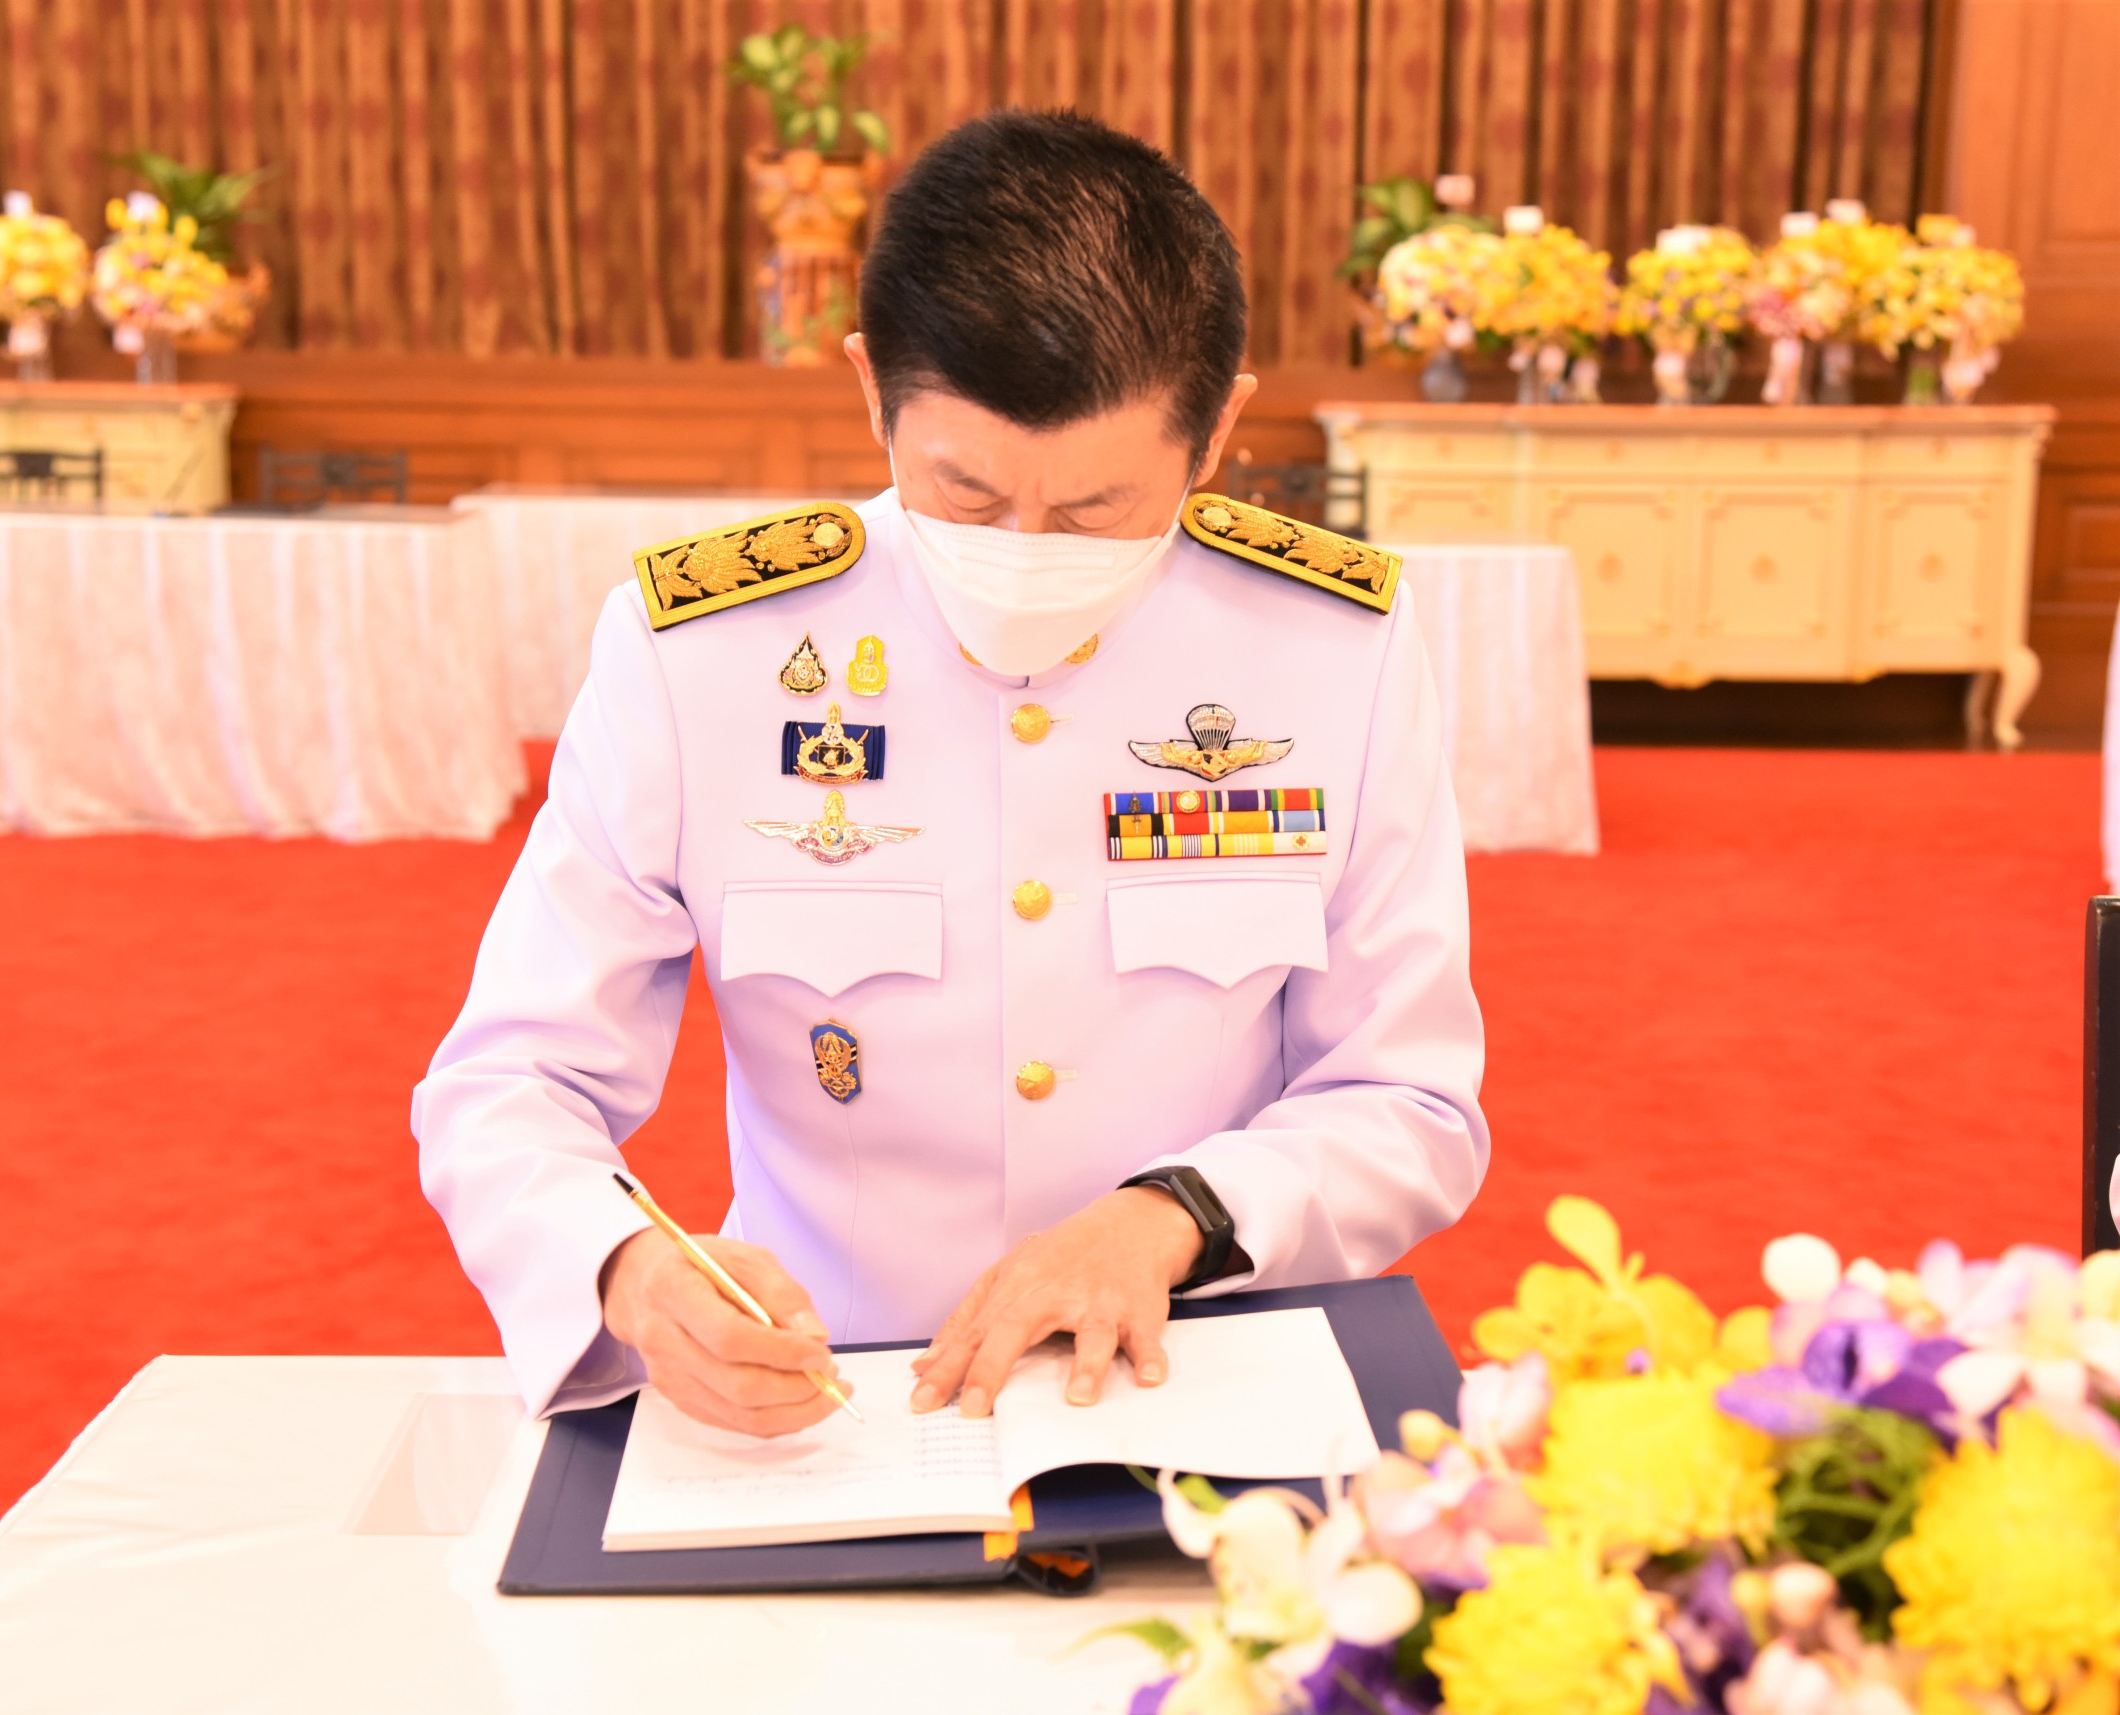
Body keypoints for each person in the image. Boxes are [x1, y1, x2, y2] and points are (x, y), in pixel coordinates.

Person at [413, 110, 1487, 1437]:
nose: (1026, 545)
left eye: (1096, 508)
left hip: (1203, 1385)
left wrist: (1178, 1217)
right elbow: (509, 1079)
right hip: (833, 1405)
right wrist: (623, 1266)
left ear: (1217, 433)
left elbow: (1408, 1097)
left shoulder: (1331, 649)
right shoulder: (704, 654)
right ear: (872, 389)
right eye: (967, 494)